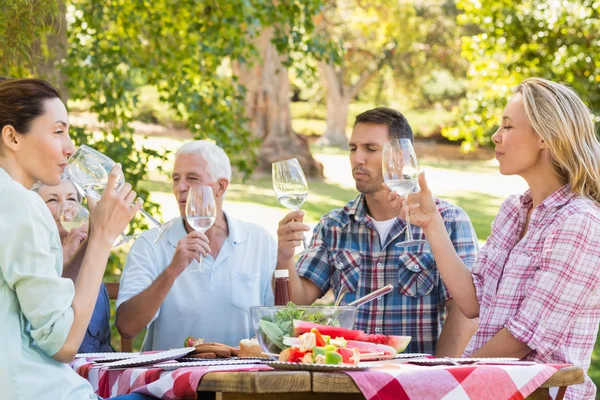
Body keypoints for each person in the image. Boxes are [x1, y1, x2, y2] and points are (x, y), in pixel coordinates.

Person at [389, 78, 600, 399]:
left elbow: (522, 339)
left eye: (508, 126)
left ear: (545, 136)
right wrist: (432, 224)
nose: (495, 136)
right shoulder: (514, 211)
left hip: (540, 394)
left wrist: (449, 380)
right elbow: (474, 301)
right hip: (489, 387)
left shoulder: (580, 222)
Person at [276, 107, 479, 355]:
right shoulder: (334, 225)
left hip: (416, 378)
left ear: (401, 157)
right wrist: (285, 256)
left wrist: (440, 370)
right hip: (349, 376)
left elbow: (466, 310)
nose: (357, 158)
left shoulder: (449, 221)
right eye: (353, 148)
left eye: (370, 149)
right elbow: (298, 301)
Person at [0, 78, 153, 399]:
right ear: (12, 136)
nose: (70, 146)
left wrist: (93, 237)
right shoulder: (20, 203)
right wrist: (102, 239)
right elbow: (64, 344)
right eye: (58, 131)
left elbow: (39, 306)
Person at [116, 140, 276, 350]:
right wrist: (173, 270)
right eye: (176, 179)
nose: (180, 187)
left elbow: (276, 324)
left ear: (220, 187)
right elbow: (127, 327)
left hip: (242, 374)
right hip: (171, 378)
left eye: (192, 178)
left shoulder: (259, 240)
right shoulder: (150, 243)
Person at [32, 176, 113, 353]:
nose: (66, 207)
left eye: (71, 199)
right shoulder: (32, 262)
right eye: (53, 200)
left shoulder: (91, 262)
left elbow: (104, 346)